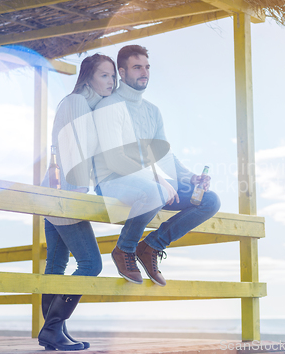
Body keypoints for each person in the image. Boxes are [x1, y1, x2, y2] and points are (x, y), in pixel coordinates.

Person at [93, 45, 221, 287]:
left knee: (209, 200)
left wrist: (189, 178)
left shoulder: (152, 111)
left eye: (147, 67)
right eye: (137, 67)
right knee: (157, 190)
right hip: (111, 181)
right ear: (122, 72)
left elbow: (163, 156)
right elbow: (115, 159)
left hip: (149, 183)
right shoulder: (109, 106)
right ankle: (124, 249)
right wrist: (156, 179)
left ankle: (151, 246)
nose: (144, 72)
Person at [38, 54, 117, 351]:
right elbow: (78, 153)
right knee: (91, 264)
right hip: (66, 196)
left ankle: (53, 332)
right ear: (87, 77)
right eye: (104, 75)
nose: (110, 81)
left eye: (112, 76)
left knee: (57, 264)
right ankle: (52, 328)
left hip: (54, 195)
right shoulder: (78, 104)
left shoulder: (79, 104)